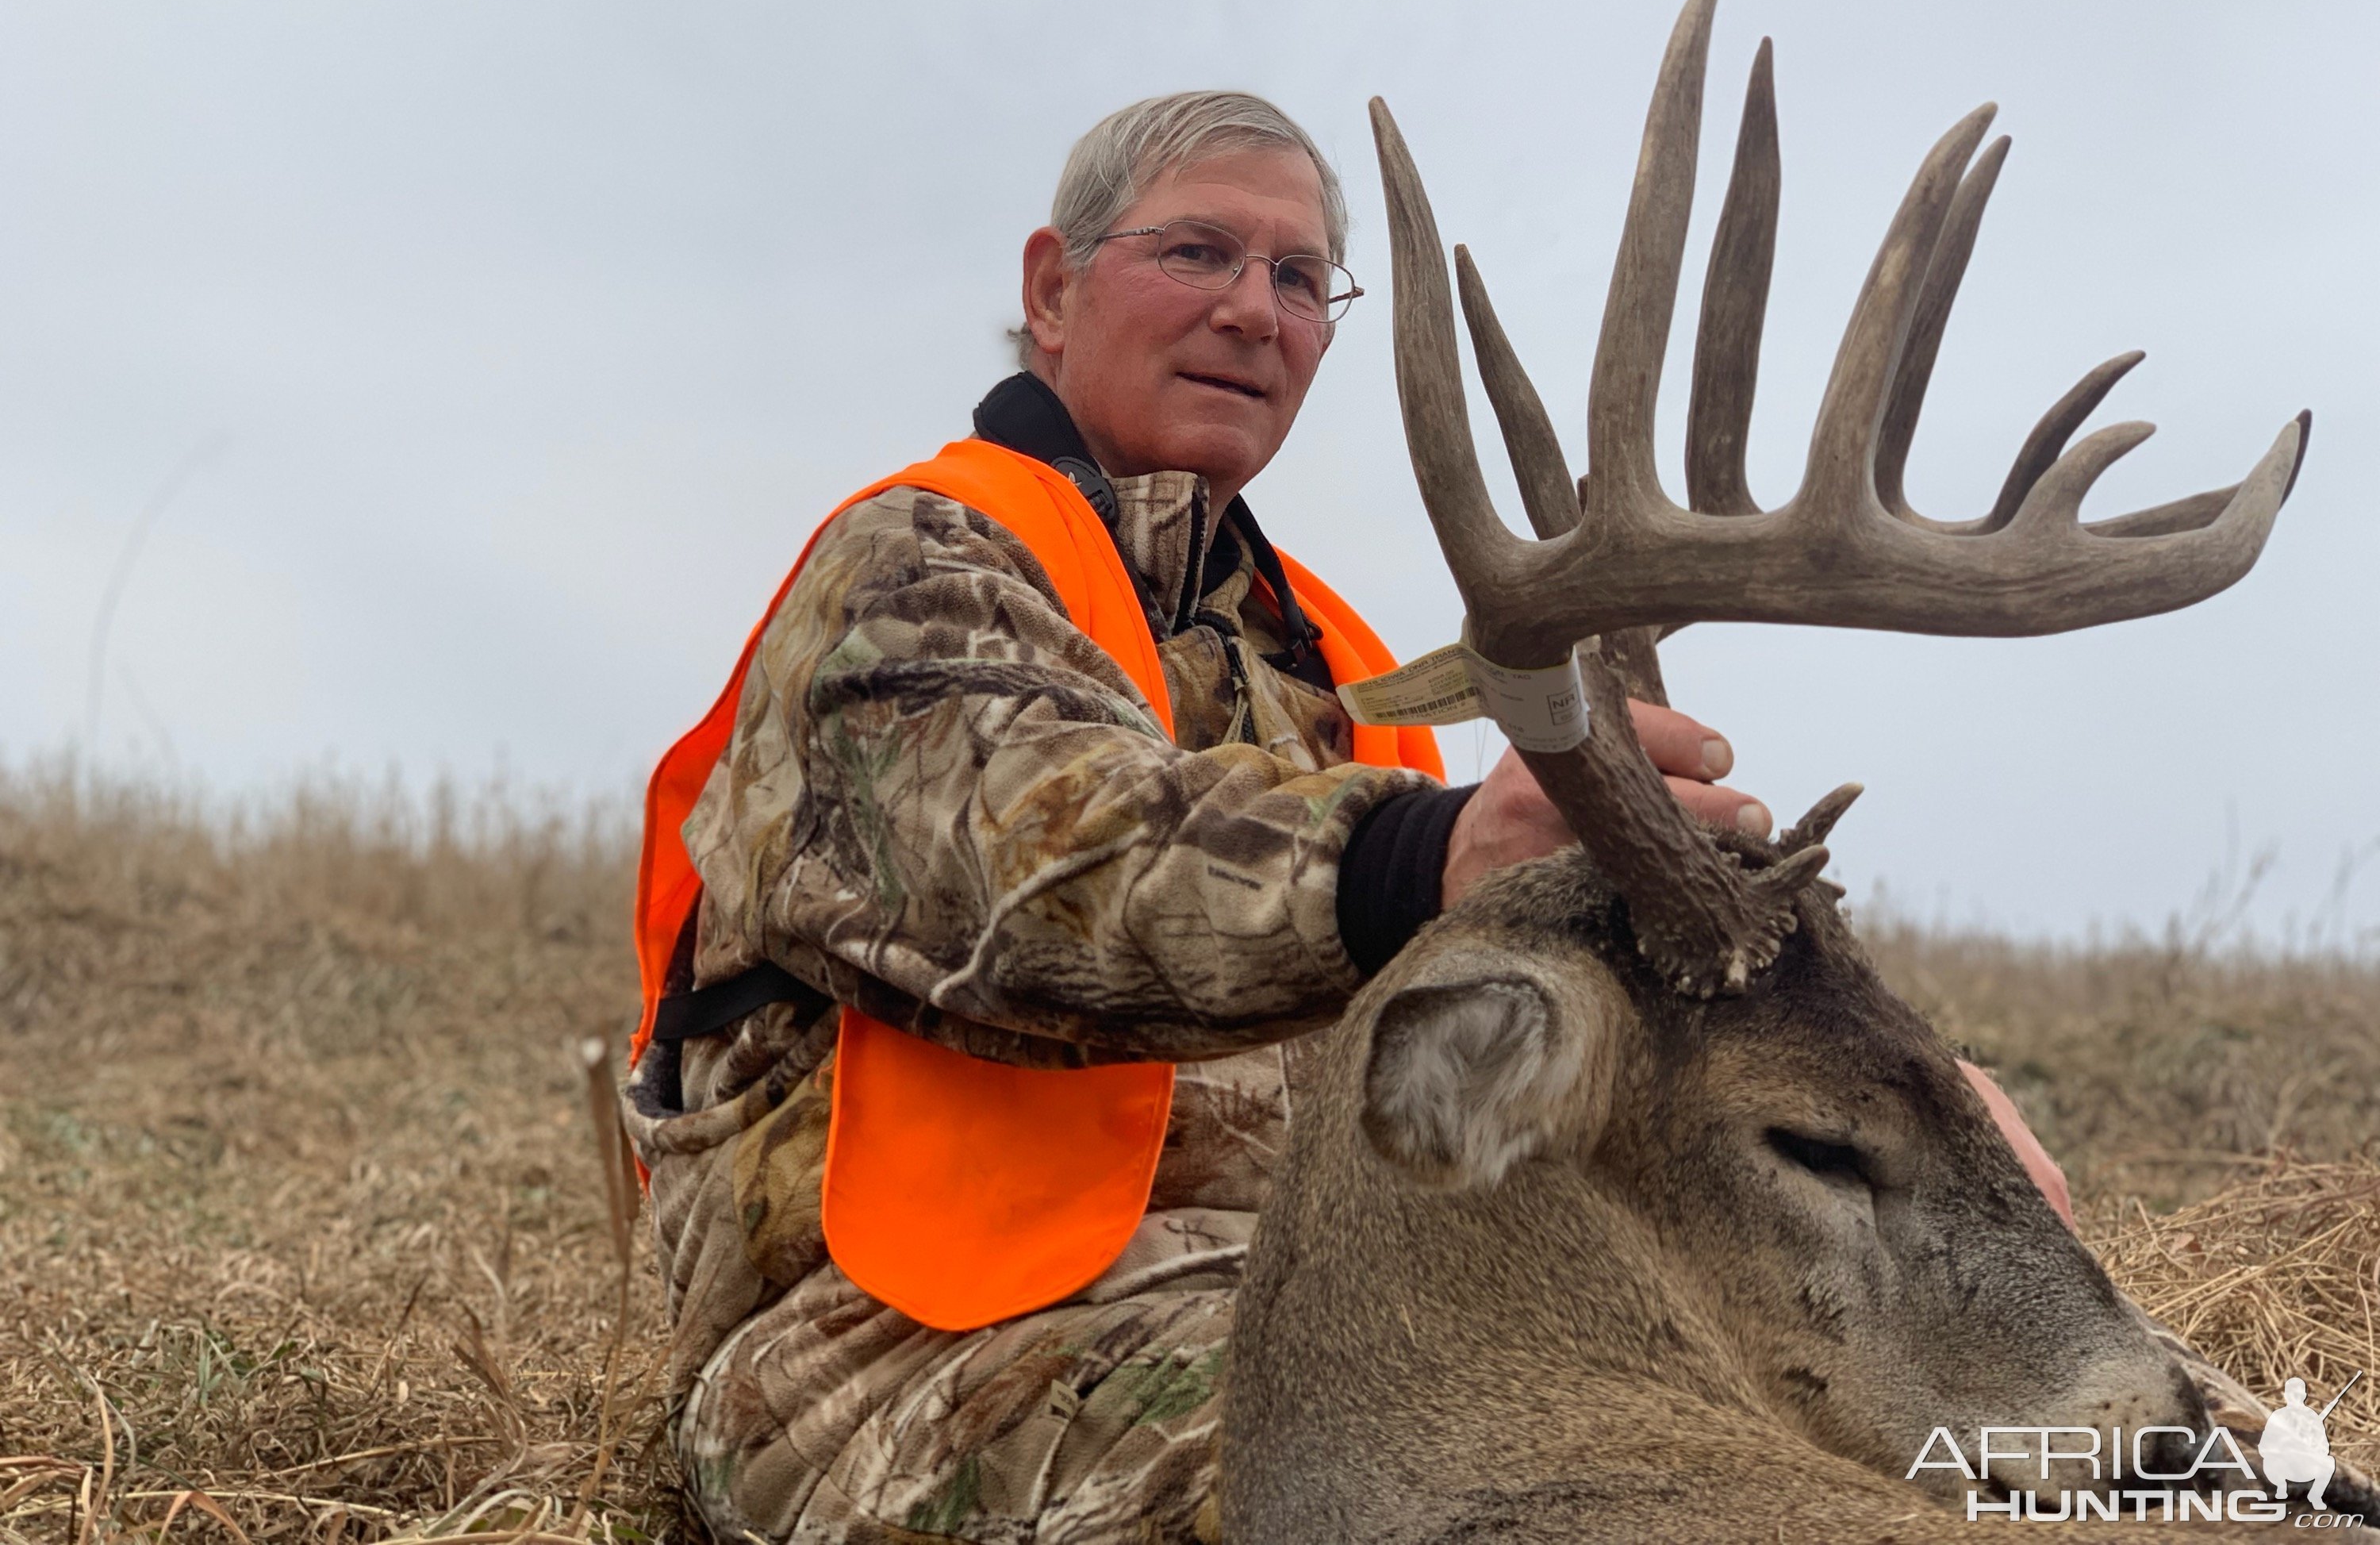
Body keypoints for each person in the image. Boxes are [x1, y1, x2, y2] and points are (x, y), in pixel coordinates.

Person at [620, 90, 2074, 1543]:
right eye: (1198, 253)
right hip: (901, 1355)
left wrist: (1902, 1106)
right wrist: (1433, 856)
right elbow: (1042, 867)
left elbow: (1509, 1039)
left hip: (1318, 1315)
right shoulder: (914, 568)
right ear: (1052, 292)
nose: (1257, 311)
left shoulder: (1337, 662)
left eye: (1300, 278)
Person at [2260, 1378, 2337, 1508]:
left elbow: (2324, 1447)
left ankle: (2315, 1496)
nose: (2296, 1397)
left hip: (2305, 1465)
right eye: (2292, 1394)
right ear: (2286, 1395)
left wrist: (2312, 1446)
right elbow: (2264, 1446)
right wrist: (2284, 1447)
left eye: (2299, 1394)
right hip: (2283, 1464)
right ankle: (2281, 1489)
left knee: (2329, 1463)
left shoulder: (2312, 1417)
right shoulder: (2278, 1416)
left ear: (2305, 1395)